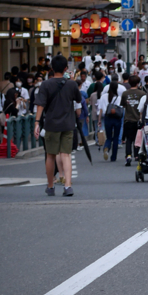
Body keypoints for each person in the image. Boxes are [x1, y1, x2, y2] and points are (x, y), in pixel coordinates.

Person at [34, 54, 82, 197]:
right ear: (66, 68)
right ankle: (68, 186)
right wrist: (71, 81)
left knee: (50, 156)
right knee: (66, 155)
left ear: (51, 68)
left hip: (51, 124)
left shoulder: (46, 84)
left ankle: (50, 186)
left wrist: (37, 122)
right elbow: (78, 99)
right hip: (68, 124)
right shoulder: (72, 84)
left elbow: (40, 105)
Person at [121, 75, 145, 166]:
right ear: (138, 83)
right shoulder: (142, 94)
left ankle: (128, 155)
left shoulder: (125, 94)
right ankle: (137, 155)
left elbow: (123, 105)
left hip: (128, 119)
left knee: (129, 139)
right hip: (138, 119)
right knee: (138, 138)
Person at [97, 79, 123, 162]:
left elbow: (100, 109)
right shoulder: (118, 98)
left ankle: (106, 148)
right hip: (116, 118)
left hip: (107, 117)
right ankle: (113, 157)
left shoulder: (104, 97)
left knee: (108, 137)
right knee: (115, 137)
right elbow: (120, 108)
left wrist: (99, 120)